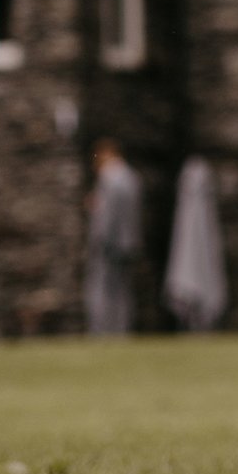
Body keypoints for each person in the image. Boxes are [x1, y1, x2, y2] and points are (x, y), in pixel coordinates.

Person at [83, 138, 142, 334]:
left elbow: (106, 218)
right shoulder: (131, 177)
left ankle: (105, 330)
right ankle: (122, 328)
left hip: (109, 246)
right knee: (123, 293)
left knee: (105, 292)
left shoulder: (108, 178)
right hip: (128, 243)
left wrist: (99, 239)